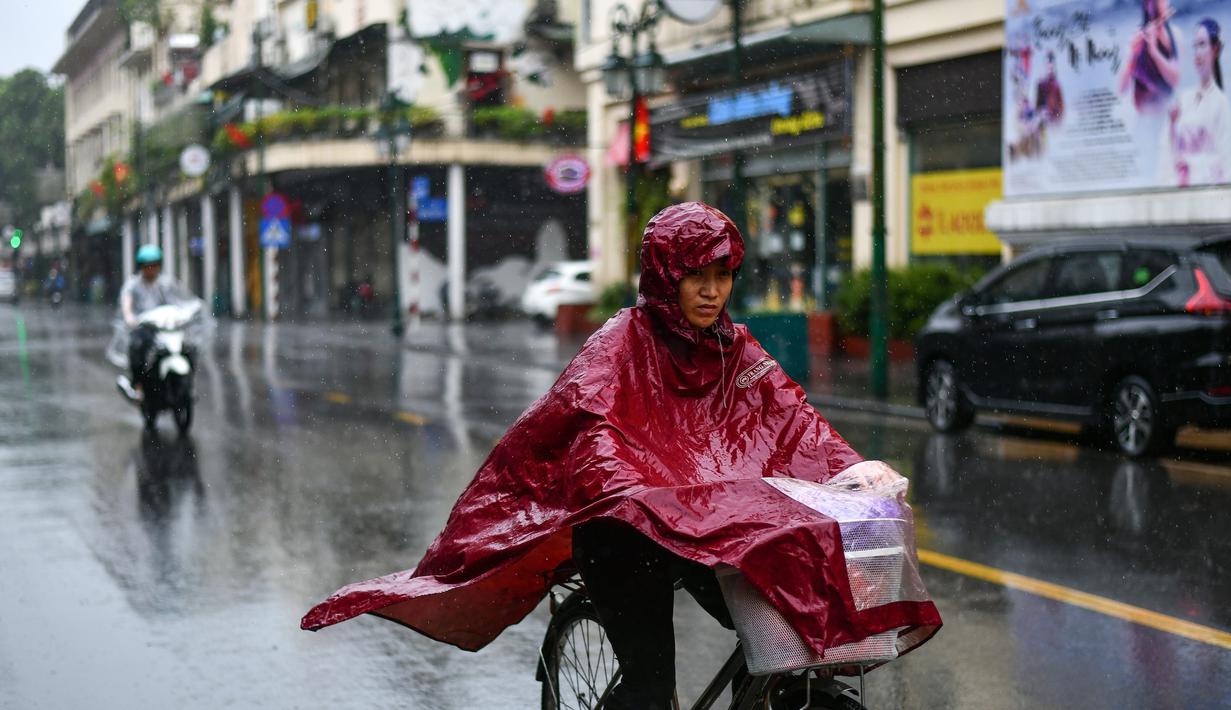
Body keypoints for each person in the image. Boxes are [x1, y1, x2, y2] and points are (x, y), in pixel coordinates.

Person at [301, 203, 941, 705]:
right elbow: (596, 434)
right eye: (698, 276)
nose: (713, 292)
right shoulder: (619, 345)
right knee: (646, 687)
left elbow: (792, 418)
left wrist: (852, 471)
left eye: (723, 276)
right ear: (666, 276)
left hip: (709, 529)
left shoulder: (733, 348)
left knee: (793, 623)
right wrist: (640, 491)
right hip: (624, 535)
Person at [1162, 18, 1231, 187]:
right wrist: (1172, 125)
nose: (1197, 53)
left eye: (1202, 45)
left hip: (1204, 191)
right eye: (1195, 46)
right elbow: (1171, 151)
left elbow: (1225, 162)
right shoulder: (1184, 99)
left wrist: (1191, 166)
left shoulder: (1221, 103)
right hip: (1180, 188)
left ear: (1214, 50)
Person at [117, 245, 188, 399]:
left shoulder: (166, 283)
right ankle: (138, 386)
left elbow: (178, 302)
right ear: (141, 267)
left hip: (166, 327)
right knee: (137, 348)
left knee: (188, 346)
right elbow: (127, 303)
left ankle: (188, 386)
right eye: (147, 266)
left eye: (154, 265)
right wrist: (129, 316)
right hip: (145, 328)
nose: (151, 269)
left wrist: (184, 313)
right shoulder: (133, 284)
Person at [1120, 0, 1182, 113]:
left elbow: (1175, 80)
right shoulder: (1137, 38)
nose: (1156, 6)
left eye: (1161, 1)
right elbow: (1122, 89)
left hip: (1165, 112)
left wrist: (1153, 52)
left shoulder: (1175, 35)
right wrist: (1133, 55)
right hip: (1143, 115)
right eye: (1151, 2)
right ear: (1146, 5)